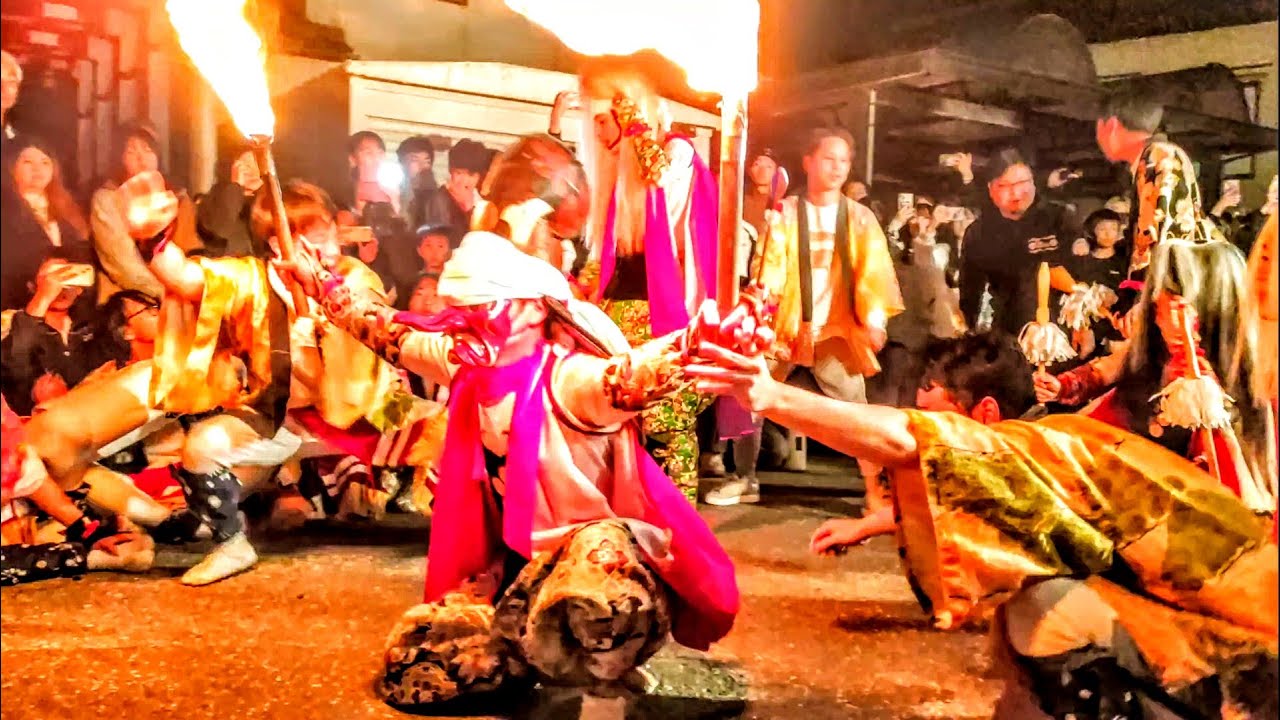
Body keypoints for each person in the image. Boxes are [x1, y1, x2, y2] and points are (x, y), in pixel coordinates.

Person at [685, 333, 1278, 720]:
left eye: (937, 412)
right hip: (1241, 626)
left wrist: (766, 394)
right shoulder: (1061, 440)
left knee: (1041, 608)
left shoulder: (1036, 445)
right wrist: (875, 523)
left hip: (1247, 662)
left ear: (984, 415)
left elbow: (903, 440)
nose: (926, 430)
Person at [280, 221, 741, 706]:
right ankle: (527, 657)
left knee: (600, 573)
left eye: (482, 309)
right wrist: (319, 284)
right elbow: (386, 329)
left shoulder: (569, 379)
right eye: (461, 312)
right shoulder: (466, 365)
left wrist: (696, 345)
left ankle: (605, 684)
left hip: (585, 563)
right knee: (417, 668)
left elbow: (628, 377)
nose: (464, 323)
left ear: (532, 309)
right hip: (510, 570)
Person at [1036, 86, 1277, 513]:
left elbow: (1158, 230)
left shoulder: (1160, 158)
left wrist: (1138, 289)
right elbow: (1130, 357)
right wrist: (1069, 383)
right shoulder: (1158, 165)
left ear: (1110, 126)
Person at [708, 127, 903, 506]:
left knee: (854, 411)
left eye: (844, 161)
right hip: (783, 325)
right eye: (829, 159)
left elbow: (874, 273)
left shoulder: (860, 218)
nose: (837, 168)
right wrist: (759, 314)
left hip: (837, 326)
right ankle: (744, 478)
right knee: (751, 394)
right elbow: (768, 268)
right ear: (808, 162)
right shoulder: (785, 213)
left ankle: (875, 489)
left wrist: (875, 321)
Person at [574, 62, 722, 503]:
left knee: (667, 421)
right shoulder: (615, 170)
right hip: (614, 313)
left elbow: (662, 189)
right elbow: (607, 257)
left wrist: (637, 126)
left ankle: (674, 524)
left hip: (663, 312)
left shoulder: (677, 156)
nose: (599, 133)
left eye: (603, 120)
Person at [2, 397, 155, 585]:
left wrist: (90, 533)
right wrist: (82, 556)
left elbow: (31, 479)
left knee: (58, 434)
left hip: (21, 522)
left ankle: (168, 523)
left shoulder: (11, 447)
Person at [956, 147, 1079, 338]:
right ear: (990, 189)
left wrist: (1084, 326)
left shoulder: (1058, 218)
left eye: (1022, 183)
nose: (1015, 193)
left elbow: (1080, 275)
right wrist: (970, 326)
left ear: (1033, 182)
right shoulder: (979, 232)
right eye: (1004, 186)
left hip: (1061, 333)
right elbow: (970, 287)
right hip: (1007, 333)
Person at [1, 255, 124, 415]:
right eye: (52, 277)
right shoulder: (10, 324)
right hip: (46, 424)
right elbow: (15, 369)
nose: (61, 286)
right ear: (32, 286)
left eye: (69, 276)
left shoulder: (91, 323)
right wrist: (42, 298)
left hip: (101, 412)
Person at [1, 137, 94, 310]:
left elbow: (83, 254)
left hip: (70, 307)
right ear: (11, 167)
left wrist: (74, 288)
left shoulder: (67, 208)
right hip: (21, 307)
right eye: (28, 162)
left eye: (45, 162)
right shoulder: (6, 213)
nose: (38, 169)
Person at [195, 144, 263, 258]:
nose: (251, 170)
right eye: (244, 165)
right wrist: (235, 187)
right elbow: (219, 229)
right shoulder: (213, 200)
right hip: (227, 269)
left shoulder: (271, 202)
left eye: (256, 164)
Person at [422, 138, 489, 248]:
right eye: (459, 173)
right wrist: (466, 211)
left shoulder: (481, 202)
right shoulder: (439, 200)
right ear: (450, 171)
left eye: (471, 175)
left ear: (480, 177)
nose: (464, 181)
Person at [397, 135, 436, 228]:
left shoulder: (438, 196)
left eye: (427, 161)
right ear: (402, 163)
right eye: (415, 160)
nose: (422, 166)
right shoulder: (394, 192)